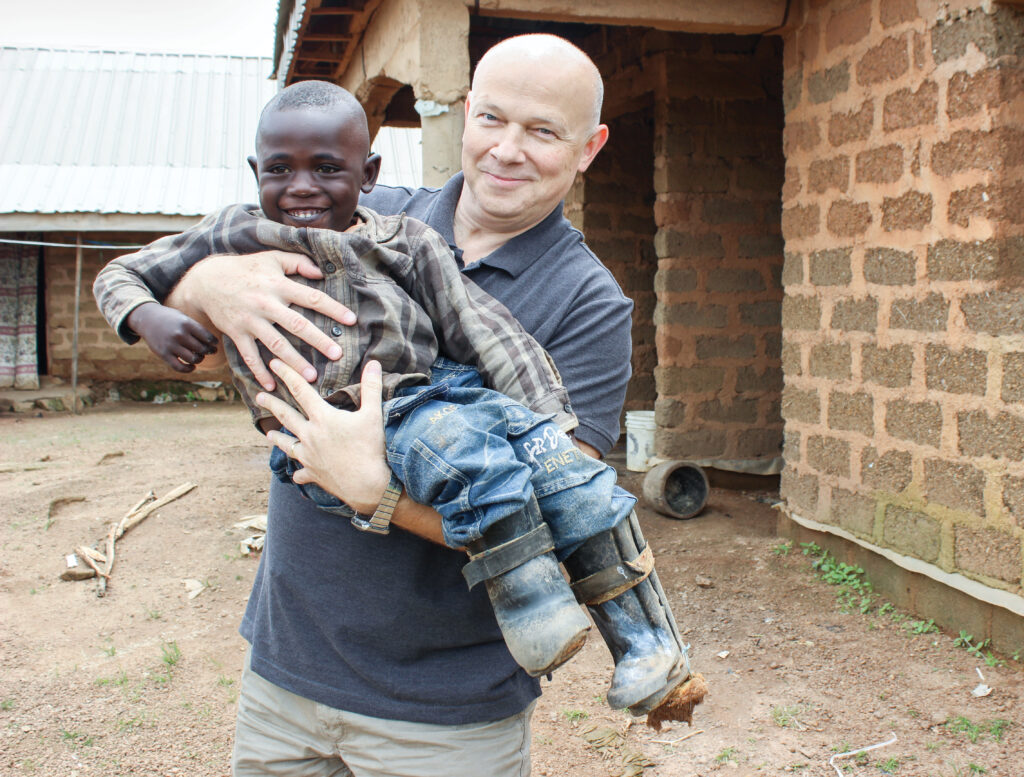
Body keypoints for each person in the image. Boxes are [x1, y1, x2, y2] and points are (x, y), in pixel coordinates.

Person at [94, 34, 702, 777]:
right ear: (467, 112)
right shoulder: (354, 205)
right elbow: (183, 310)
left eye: (543, 131)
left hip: (444, 710)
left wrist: (374, 492)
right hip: (290, 667)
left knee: (572, 490)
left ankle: (644, 643)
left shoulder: (589, 303)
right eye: (494, 119)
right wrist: (215, 285)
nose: (508, 150)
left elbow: (553, 509)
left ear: (588, 147)